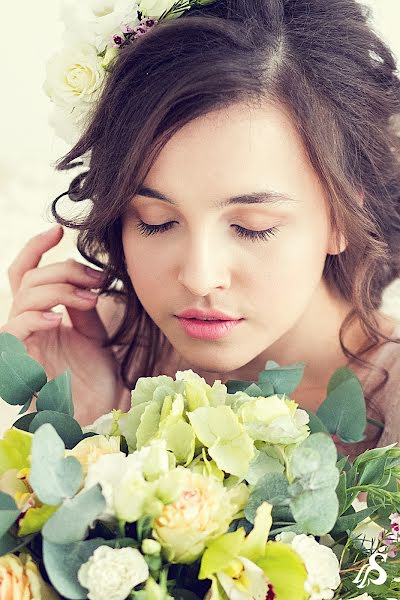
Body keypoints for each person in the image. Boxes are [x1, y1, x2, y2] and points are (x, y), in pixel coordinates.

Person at [1, 0, 400, 462]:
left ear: (341, 215)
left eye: (253, 228)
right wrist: (87, 427)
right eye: (157, 221)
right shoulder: (90, 345)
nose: (198, 276)